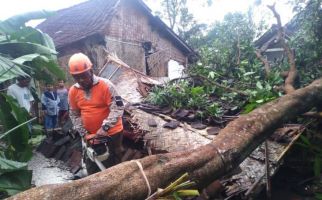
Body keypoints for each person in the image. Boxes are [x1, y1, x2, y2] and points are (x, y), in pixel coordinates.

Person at [68, 53, 124, 174]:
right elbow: (74, 114)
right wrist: (84, 133)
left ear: (91, 71)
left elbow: (118, 108)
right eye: (77, 77)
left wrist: (105, 127)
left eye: (84, 76)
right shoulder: (73, 91)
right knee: (92, 164)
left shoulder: (106, 85)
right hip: (90, 135)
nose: (81, 80)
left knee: (112, 164)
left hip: (112, 133)